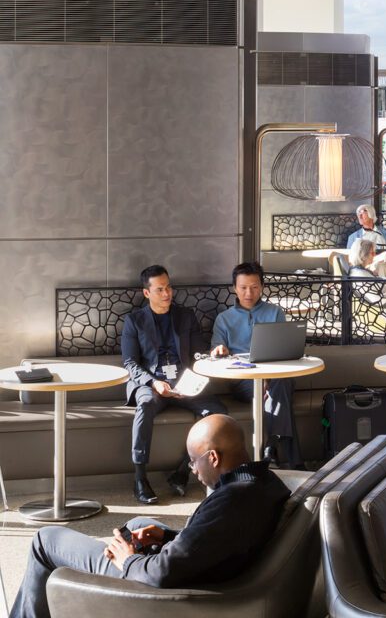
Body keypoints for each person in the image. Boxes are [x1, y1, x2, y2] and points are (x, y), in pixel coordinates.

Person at [10, 415, 290, 618]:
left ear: (214, 458)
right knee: (138, 525)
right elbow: (219, 540)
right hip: (203, 569)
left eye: (194, 461)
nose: (193, 469)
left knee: (44, 540)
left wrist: (128, 559)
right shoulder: (264, 482)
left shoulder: (231, 501)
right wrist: (167, 536)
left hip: (166, 588)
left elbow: (163, 572)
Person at [122, 265, 227, 505]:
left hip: (184, 381)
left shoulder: (185, 316)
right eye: (160, 289)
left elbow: (199, 353)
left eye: (168, 287)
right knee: (146, 404)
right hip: (151, 383)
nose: (167, 293)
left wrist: (213, 354)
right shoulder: (134, 321)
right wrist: (154, 382)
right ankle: (140, 478)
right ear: (147, 293)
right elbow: (129, 362)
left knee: (218, 414)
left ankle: (183, 471)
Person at [210, 261, 302, 467]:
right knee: (281, 389)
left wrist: (268, 378)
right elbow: (215, 351)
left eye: (254, 287)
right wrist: (219, 351)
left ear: (262, 287)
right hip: (243, 381)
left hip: (275, 376)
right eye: (243, 287)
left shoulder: (274, 312)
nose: (248, 293)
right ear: (235, 288)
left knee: (282, 383)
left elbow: (284, 348)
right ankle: (283, 453)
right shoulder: (224, 319)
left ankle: (270, 448)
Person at [346, 204, 386, 278]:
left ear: (371, 214)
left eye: (362, 212)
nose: (359, 216)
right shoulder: (353, 237)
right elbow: (351, 259)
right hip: (368, 264)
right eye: (358, 214)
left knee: (383, 264)